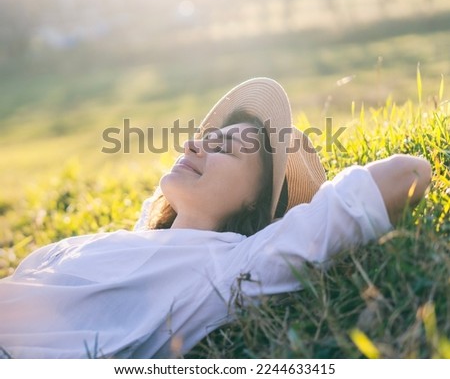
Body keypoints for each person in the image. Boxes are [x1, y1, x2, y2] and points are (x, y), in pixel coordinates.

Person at [0, 78, 431, 359]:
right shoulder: (102, 244)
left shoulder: (228, 268)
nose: (191, 146)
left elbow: (408, 174)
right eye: (204, 139)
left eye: (223, 149)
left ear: (255, 206)